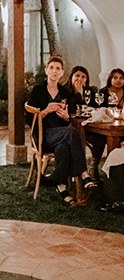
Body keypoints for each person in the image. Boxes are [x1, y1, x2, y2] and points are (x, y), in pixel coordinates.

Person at [27, 56, 97, 206]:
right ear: (46, 71)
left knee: (64, 148)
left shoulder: (65, 93)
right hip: (43, 135)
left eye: (57, 68)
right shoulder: (38, 90)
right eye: (51, 67)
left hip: (60, 138)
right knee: (71, 132)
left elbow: (68, 119)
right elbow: (29, 119)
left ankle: (61, 187)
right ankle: (83, 173)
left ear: (62, 73)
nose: (54, 71)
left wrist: (65, 117)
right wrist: (45, 111)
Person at [90, 68, 124, 180]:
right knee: (100, 137)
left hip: (120, 123)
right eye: (115, 77)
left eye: (121, 78)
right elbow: (98, 109)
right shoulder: (103, 92)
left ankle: (117, 171)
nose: (118, 80)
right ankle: (94, 168)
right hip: (104, 124)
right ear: (110, 79)